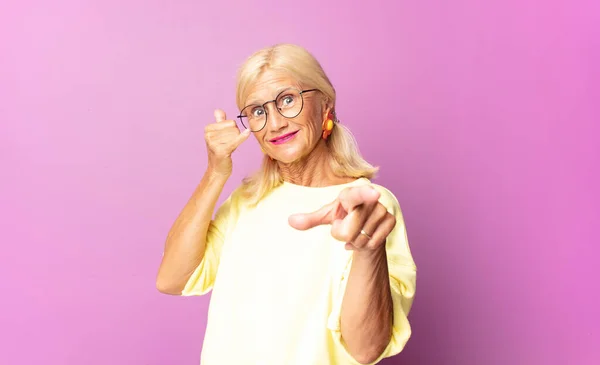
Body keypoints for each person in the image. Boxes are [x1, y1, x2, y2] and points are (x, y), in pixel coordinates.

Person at [156, 43, 417, 365]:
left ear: (326, 105)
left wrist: (367, 249)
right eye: (258, 111)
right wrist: (215, 172)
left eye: (288, 100)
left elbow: (365, 349)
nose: (275, 123)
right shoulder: (247, 200)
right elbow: (172, 279)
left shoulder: (369, 207)